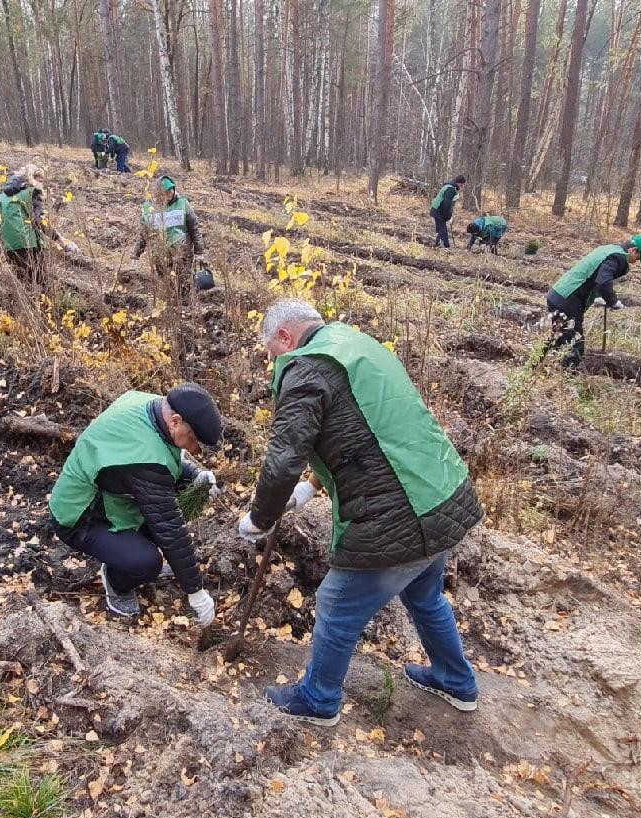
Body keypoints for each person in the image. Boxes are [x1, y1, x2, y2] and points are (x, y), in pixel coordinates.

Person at [238, 300, 486, 727]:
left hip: (403, 514)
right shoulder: (355, 345)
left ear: (285, 336)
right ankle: (454, 679)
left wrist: (260, 518)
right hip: (440, 493)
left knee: (337, 601)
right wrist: (311, 487)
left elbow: (281, 460)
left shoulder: (305, 367)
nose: (275, 362)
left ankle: (318, 699)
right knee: (424, 594)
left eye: (272, 353)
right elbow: (369, 427)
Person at [49, 384, 223, 623]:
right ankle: (116, 581)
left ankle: (125, 551)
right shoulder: (143, 458)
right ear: (175, 421)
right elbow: (169, 528)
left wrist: (195, 475)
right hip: (80, 515)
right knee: (146, 563)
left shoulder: (153, 405)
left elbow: (165, 452)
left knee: (171, 507)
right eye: (193, 440)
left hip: (110, 498)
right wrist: (196, 592)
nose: (194, 449)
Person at [544, 235, 641, 369]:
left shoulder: (609, 249)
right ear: (633, 250)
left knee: (559, 337)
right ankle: (567, 378)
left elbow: (593, 273)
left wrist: (597, 297)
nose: (636, 261)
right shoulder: (617, 257)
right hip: (568, 298)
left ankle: (538, 366)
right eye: (638, 257)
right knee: (575, 344)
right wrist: (612, 301)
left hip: (558, 293)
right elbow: (604, 282)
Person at [0, 164, 79, 290]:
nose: (43, 185)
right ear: (32, 178)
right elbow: (40, 221)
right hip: (27, 243)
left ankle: (26, 307)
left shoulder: (3, 196)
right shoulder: (32, 192)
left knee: (23, 283)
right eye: (41, 181)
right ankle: (44, 307)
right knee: (41, 281)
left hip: (8, 245)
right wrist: (61, 240)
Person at [131, 175, 205, 304]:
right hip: (159, 252)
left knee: (184, 280)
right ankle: (167, 305)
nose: (169, 194)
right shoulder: (149, 209)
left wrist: (199, 251)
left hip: (182, 250)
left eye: (171, 190)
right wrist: (135, 254)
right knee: (163, 281)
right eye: (165, 192)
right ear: (158, 194)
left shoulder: (183, 203)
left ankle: (185, 305)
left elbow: (194, 228)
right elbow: (143, 234)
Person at [429, 176, 467, 248]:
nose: (462, 187)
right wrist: (448, 216)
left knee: (440, 229)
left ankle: (438, 245)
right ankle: (445, 247)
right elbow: (446, 204)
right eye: (462, 185)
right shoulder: (451, 189)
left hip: (437, 209)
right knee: (443, 230)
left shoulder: (449, 186)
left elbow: (449, 204)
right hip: (439, 210)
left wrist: (450, 215)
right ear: (459, 183)